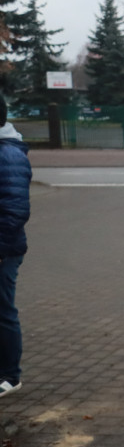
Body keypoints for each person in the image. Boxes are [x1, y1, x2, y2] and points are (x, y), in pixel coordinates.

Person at [0, 93, 31, 398]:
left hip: (4, 251)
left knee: (3, 311)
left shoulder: (8, 155)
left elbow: (15, 211)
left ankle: (10, 375)